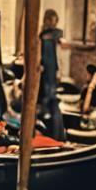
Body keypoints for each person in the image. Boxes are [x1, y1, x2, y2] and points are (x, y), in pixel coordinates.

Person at [39, 9, 66, 141]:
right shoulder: (44, 35)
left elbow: (59, 35)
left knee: (51, 99)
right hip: (46, 71)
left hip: (51, 70)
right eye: (53, 20)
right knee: (48, 99)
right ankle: (53, 134)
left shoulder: (53, 35)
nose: (54, 23)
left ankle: (57, 135)